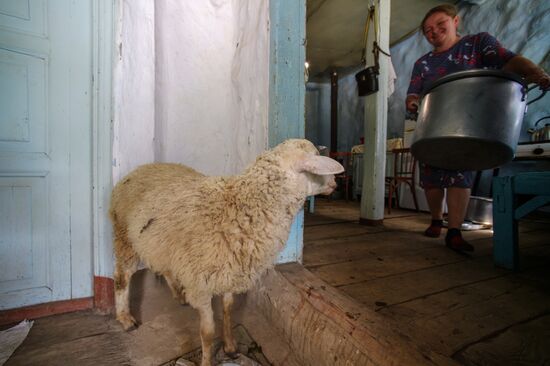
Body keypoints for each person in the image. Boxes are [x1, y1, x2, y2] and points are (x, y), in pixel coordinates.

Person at [406, 4, 550, 253]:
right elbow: (413, 94)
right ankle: (436, 219)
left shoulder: (478, 44)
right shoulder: (423, 63)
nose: (434, 32)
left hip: (467, 124)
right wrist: (413, 102)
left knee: (460, 177)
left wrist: (535, 73)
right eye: (428, 30)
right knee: (431, 181)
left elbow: (509, 60)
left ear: (455, 21)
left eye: (441, 24)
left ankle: (454, 231)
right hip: (433, 125)